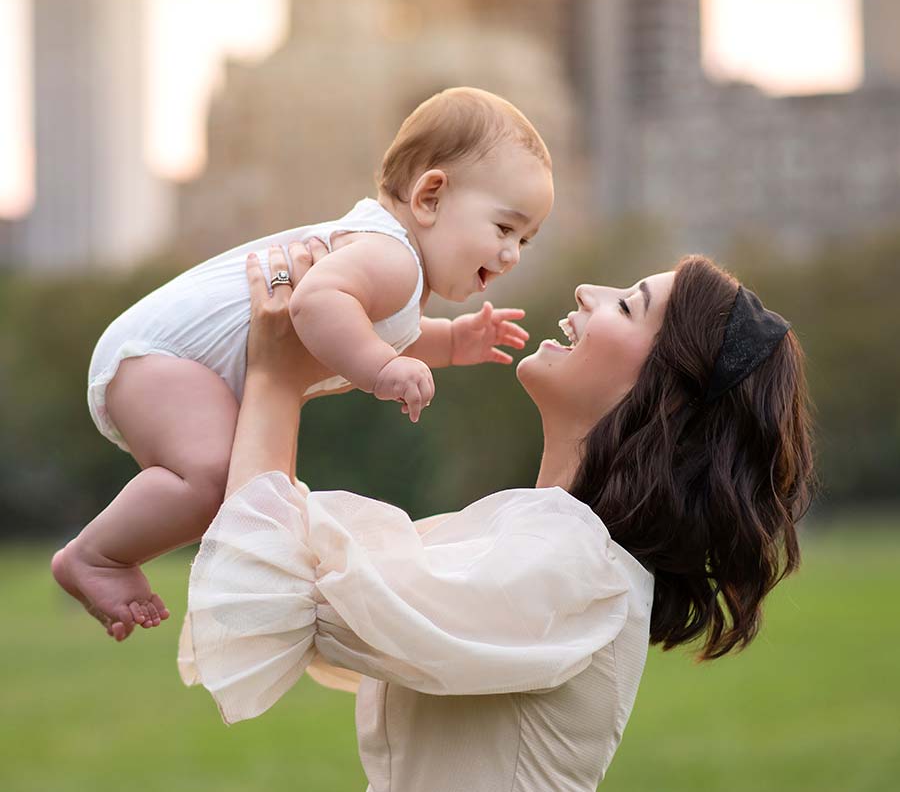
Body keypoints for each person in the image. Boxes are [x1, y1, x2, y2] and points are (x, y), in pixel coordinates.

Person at [178, 239, 814, 791]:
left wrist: (277, 376)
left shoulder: (575, 563)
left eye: (627, 306)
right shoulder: (539, 540)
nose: (588, 291)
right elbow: (285, 570)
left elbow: (261, 593)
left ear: (663, 396)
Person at [50, 87, 554, 642]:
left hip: (173, 364)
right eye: (505, 229)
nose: (511, 253)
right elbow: (316, 303)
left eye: (526, 240)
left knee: (233, 484)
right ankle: (94, 556)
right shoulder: (391, 259)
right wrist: (382, 369)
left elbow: (374, 327)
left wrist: (455, 341)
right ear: (430, 197)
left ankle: (106, 554)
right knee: (216, 478)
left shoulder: (397, 271)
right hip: (163, 359)